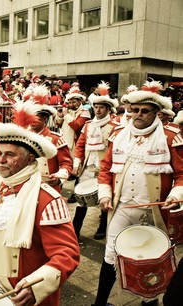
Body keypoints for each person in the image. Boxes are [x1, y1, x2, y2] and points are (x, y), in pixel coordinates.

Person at [0, 105, 80, 306]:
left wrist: (35, 286)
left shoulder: (47, 199)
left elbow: (67, 254)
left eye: (10, 155)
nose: (1, 160)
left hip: (19, 295)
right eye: (0, 153)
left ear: (30, 158)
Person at [92, 80, 183, 306]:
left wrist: (176, 195)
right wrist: (104, 193)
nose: (138, 115)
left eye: (145, 111)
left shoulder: (171, 137)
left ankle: (148, 302)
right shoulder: (119, 133)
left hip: (155, 210)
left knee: (152, 258)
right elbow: (105, 168)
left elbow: (182, 175)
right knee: (110, 255)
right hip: (121, 206)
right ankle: (100, 303)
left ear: (156, 113)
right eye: (134, 110)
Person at [71, 82, 120, 241]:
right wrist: (77, 161)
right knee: (81, 199)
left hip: (104, 168)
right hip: (87, 167)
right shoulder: (88, 125)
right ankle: (75, 230)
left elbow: (114, 150)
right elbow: (80, 144)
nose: (97, 110)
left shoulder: (114, 127)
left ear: (108, 109)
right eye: (96, 107)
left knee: (104, 199)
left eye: (101, 107)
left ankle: (102, 227)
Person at [26, 84, 73, 193]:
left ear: (45, 119)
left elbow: (66, 164)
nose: (32, 120)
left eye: (36, 117)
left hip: (48, 186)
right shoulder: (25, 136)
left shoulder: (56, 138)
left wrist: (59, 177)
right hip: (28, 184)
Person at [55, 85, 91, 153]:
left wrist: (66, 115)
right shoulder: (69, 111)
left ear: (80, 101)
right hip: (65, 142)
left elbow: (76, 126)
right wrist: (60, 116)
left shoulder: (85, 112)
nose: (71, 105)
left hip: (76, 144)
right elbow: (59, 124)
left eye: (74, 102)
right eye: (70, 103)